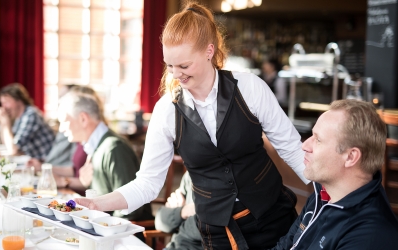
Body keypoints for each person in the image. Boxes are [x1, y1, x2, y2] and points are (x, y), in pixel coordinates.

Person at [75, 2, 308, 249]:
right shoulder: (166, 111)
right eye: (170, 66)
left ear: (209, 51)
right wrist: (98, 203)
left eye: (184, 66)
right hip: (218, 231)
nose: (176, 75)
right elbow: (147, 183)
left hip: (273, 219)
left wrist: (334, 190)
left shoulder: (249, 88)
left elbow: (291, 149)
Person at [270, 99, 398, 250]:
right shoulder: (323, 193)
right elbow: (285, 246)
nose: (305, 145)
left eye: (318, 140)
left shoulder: (369, 237)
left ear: (350, 157)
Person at [57, 85, 153, 221]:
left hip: (120, 233)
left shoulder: (114, 149)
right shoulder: (95, 147)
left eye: (64, 121)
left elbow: (132, 210)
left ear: (83, 119)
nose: (61, 129)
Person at [0, 83, 55, 161]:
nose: (4, 107)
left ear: (19, 101)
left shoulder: (31, 115)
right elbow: (7, 143)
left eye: (7, 102)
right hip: (33, 161)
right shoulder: (20, 118)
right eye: (2, 103)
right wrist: (2, 121)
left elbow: (12, 149)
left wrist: (6, 122)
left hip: (46, 164)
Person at [155, 171, 201, 250]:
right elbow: (160, 221)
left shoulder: (226, 180)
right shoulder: (190, 175)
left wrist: (179, 216)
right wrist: (184, 211)